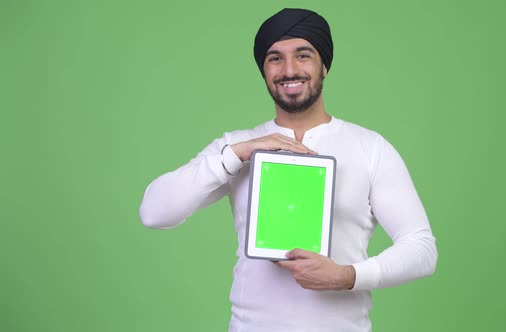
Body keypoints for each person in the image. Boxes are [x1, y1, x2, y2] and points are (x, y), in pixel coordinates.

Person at [139, 8, 437, 332]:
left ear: (324, 64)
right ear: (264, 70)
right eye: (275, 58)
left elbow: (421, 249)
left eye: (303, 55)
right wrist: (238, 154)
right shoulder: (235, 147)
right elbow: (154, 212)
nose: (289, 69)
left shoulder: (370, 148)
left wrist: (346, 275)